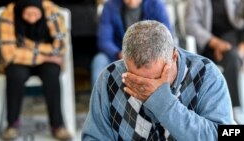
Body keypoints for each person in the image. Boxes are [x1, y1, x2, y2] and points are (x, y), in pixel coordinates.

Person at [82, 20, 235, 140]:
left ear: (173, 57)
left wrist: (163, 102)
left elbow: (228, 134)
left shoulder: (207, 74)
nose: (144, 87)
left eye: (155, 78)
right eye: (135, 78)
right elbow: (94, 137)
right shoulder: (109, 78)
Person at [0, 0, 71, 140]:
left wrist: (29, 46)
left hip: (41, 61)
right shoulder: (8, 15)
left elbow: (60, 47)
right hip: (20, 62)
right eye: (27, 14)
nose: (31, 18)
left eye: (35, 14)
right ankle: (12, 124)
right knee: (14, 74)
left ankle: (57, 125)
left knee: (52, 73)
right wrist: (45, 57)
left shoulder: (52, 11)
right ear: (20, 11)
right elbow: (9, 54)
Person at [185, 0, 244, 121]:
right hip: (209, 43)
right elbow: (191, 25)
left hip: (234, 40)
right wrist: (215, 43)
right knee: (232, 58)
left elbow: (239, 17)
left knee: (232, 56)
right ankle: (233, 111)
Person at [91, 0, 171, 86]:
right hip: (118, 55)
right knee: (99, 60)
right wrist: (119, 54)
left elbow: (166, 37)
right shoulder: (110, 6)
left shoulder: (156, 5)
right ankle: (99, 97)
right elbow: (104, 41)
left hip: (150, 55)